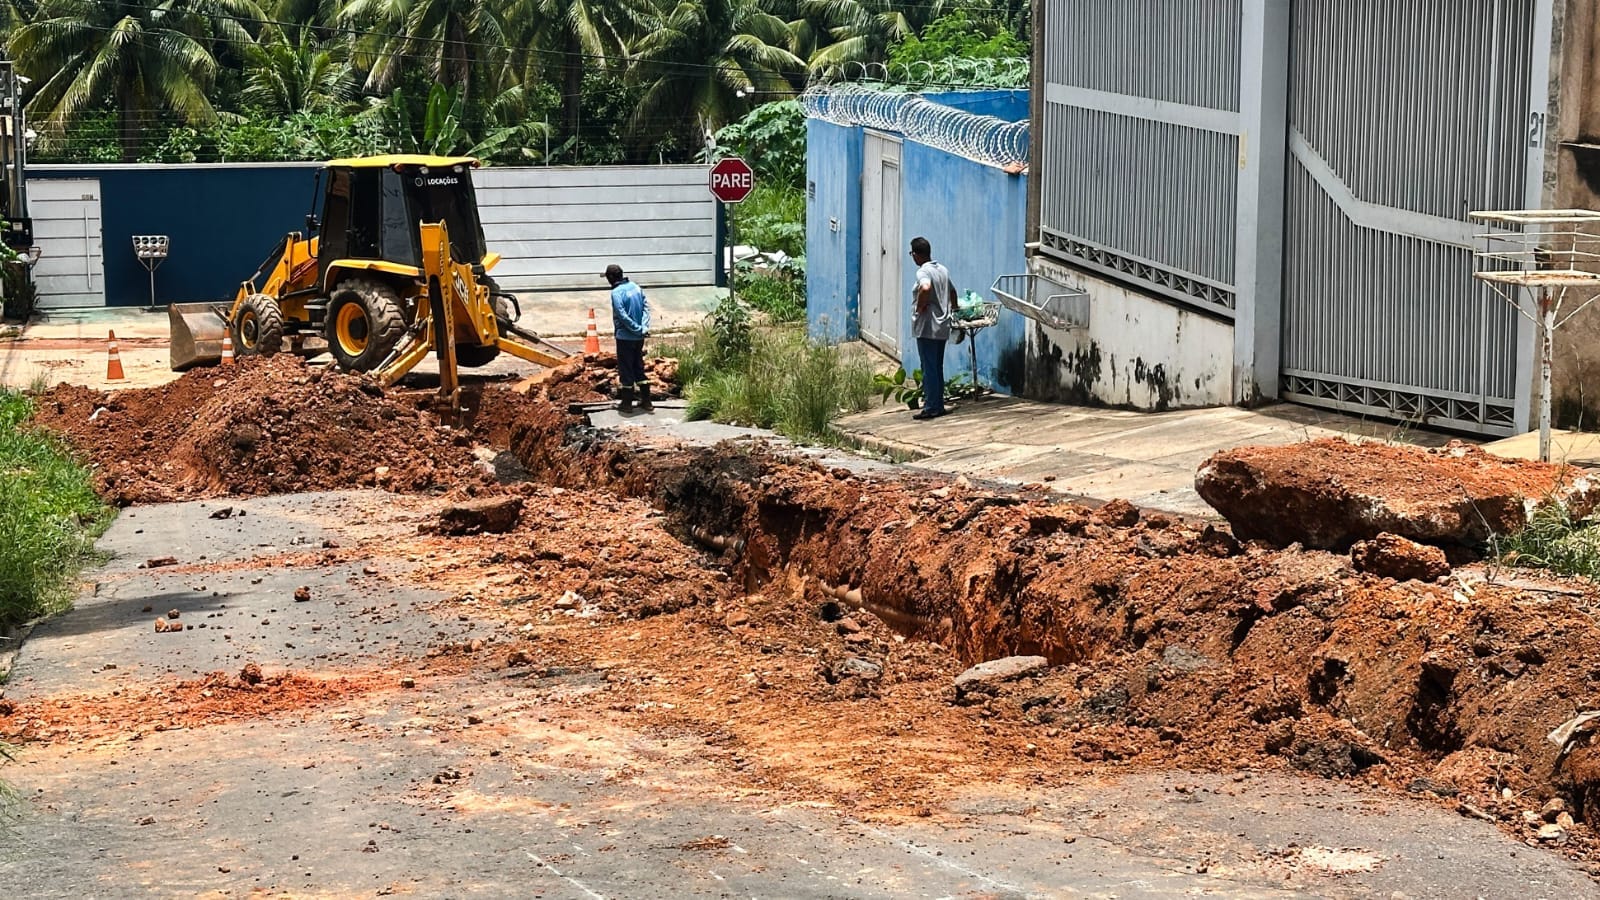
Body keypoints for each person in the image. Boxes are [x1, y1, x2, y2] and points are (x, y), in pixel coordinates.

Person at [909, 236, 955, 420]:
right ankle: (938, 404)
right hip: (942, 325)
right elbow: (952, 292)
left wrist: (920, 307)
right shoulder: (942, 269)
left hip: (928, 326)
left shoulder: (923, 272)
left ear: (916, 254)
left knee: (928, 368)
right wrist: (955, 309)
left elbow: (925, 288)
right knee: (937, 366)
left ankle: (931, 407)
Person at [606, 264, 652, 412]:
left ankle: (627, 404)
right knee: (638, 366)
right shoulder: (635, 287)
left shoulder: (616, 293)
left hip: (625, 338)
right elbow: (646, 308)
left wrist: (636, 329)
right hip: (639, 338)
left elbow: (622, 316)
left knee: (626, 369)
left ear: (611, 278)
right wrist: (643, 328)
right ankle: (647, 401)